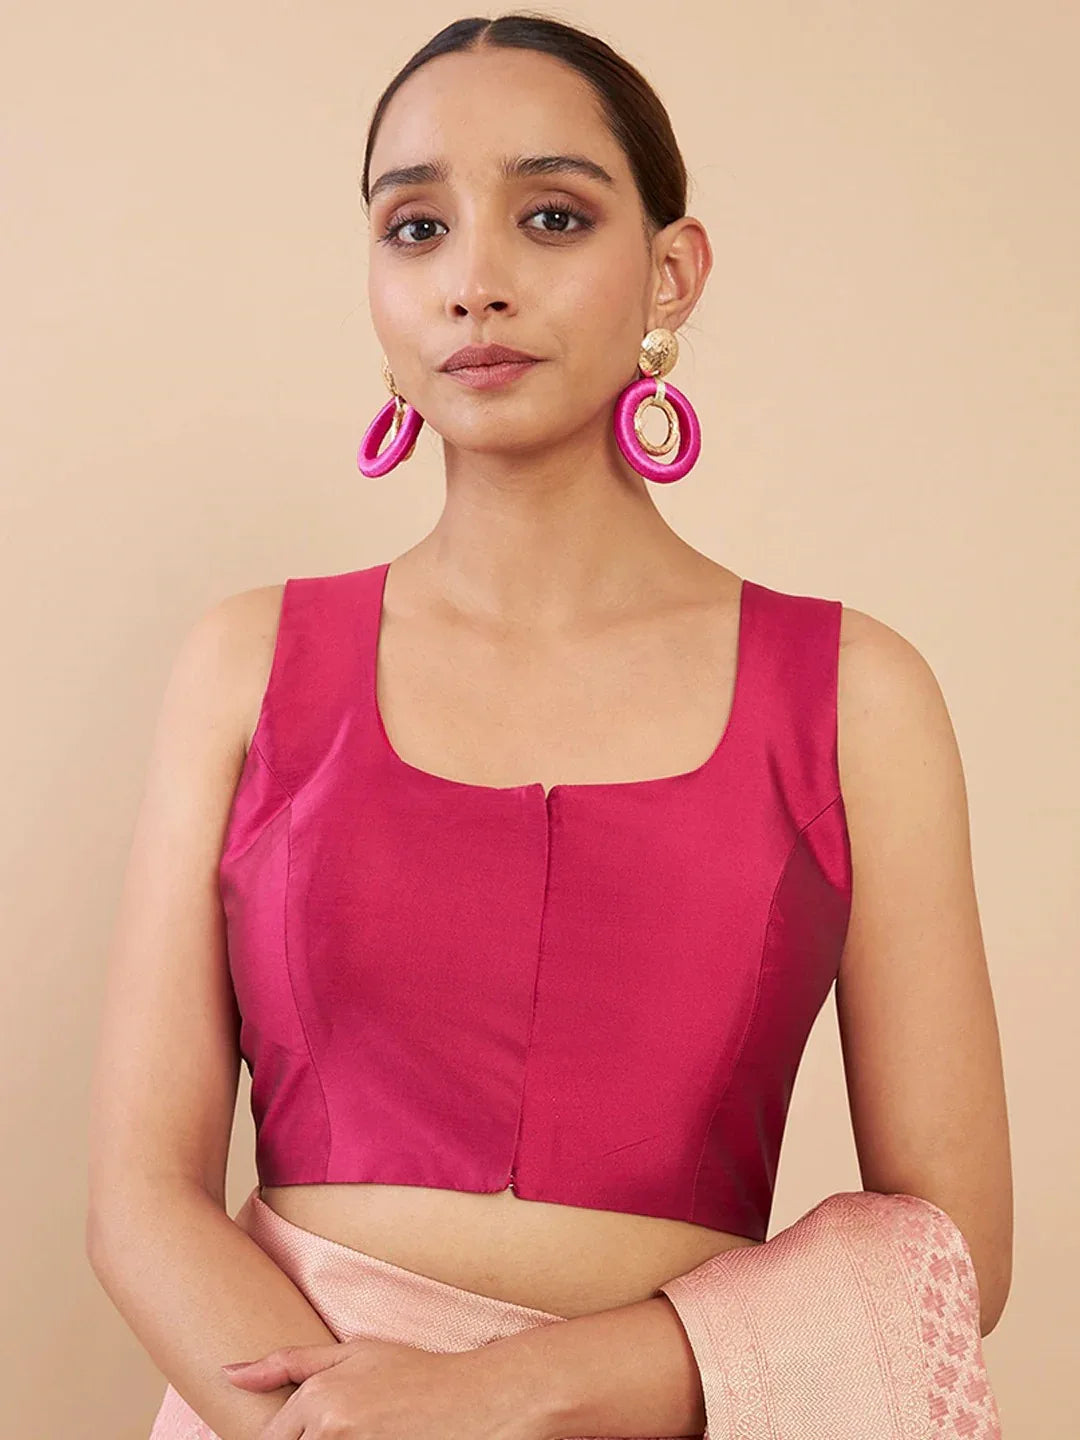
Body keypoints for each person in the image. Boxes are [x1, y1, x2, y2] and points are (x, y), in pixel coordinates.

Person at [86, 13, 1011, 1440]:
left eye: (552, 215)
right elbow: (139, 1200)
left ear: (671, 271)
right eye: (415, 229)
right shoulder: (245, 665)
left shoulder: (856, 696)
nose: (475, 282)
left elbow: (950, 1243)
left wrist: (507, 1399)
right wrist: (342, 1429)